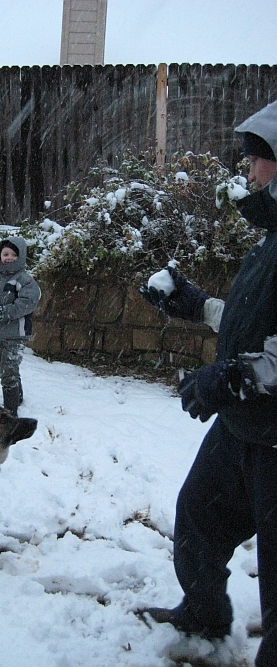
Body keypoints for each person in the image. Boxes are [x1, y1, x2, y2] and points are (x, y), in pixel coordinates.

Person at [139, 100, 277, 667]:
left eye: (257, 160)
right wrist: (197, 305)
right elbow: (256, 316)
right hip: (244, 427)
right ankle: (203, 614)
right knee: (197, 516)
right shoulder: (271, 239)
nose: (247, 172)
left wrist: (235, 377)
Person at [0, 236, 41, 416]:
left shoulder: (24, 280)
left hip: (18, 332)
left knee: (8, 370)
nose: (9, 258)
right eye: (6, 254)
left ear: (20, 257)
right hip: (0, 332)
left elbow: (27, 302)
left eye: (14, 255)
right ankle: (18, 394)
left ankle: (10, 410)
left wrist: (5, 312)